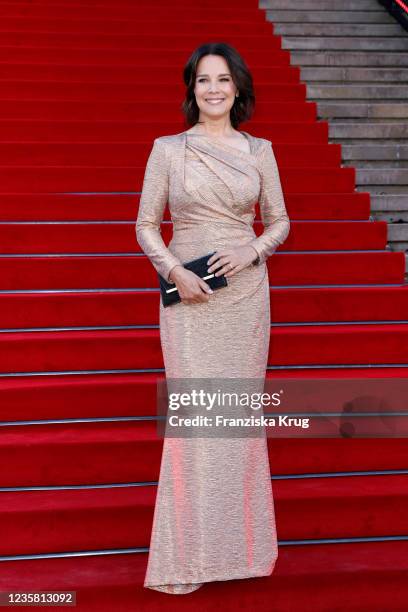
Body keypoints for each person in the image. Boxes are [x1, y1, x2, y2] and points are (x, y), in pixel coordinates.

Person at [135, 41, 290, 595]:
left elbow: (279, 221)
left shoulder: (259, 150)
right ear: (191, 89)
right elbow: (146, 224)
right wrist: (176, 271)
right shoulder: (169, 149)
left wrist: (253, 252)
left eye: (223, 79)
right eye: (204, 80)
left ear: (238, 88)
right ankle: (188, 558)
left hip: (245, 296)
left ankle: (240, 551)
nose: (214, 89)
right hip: (190, 298)